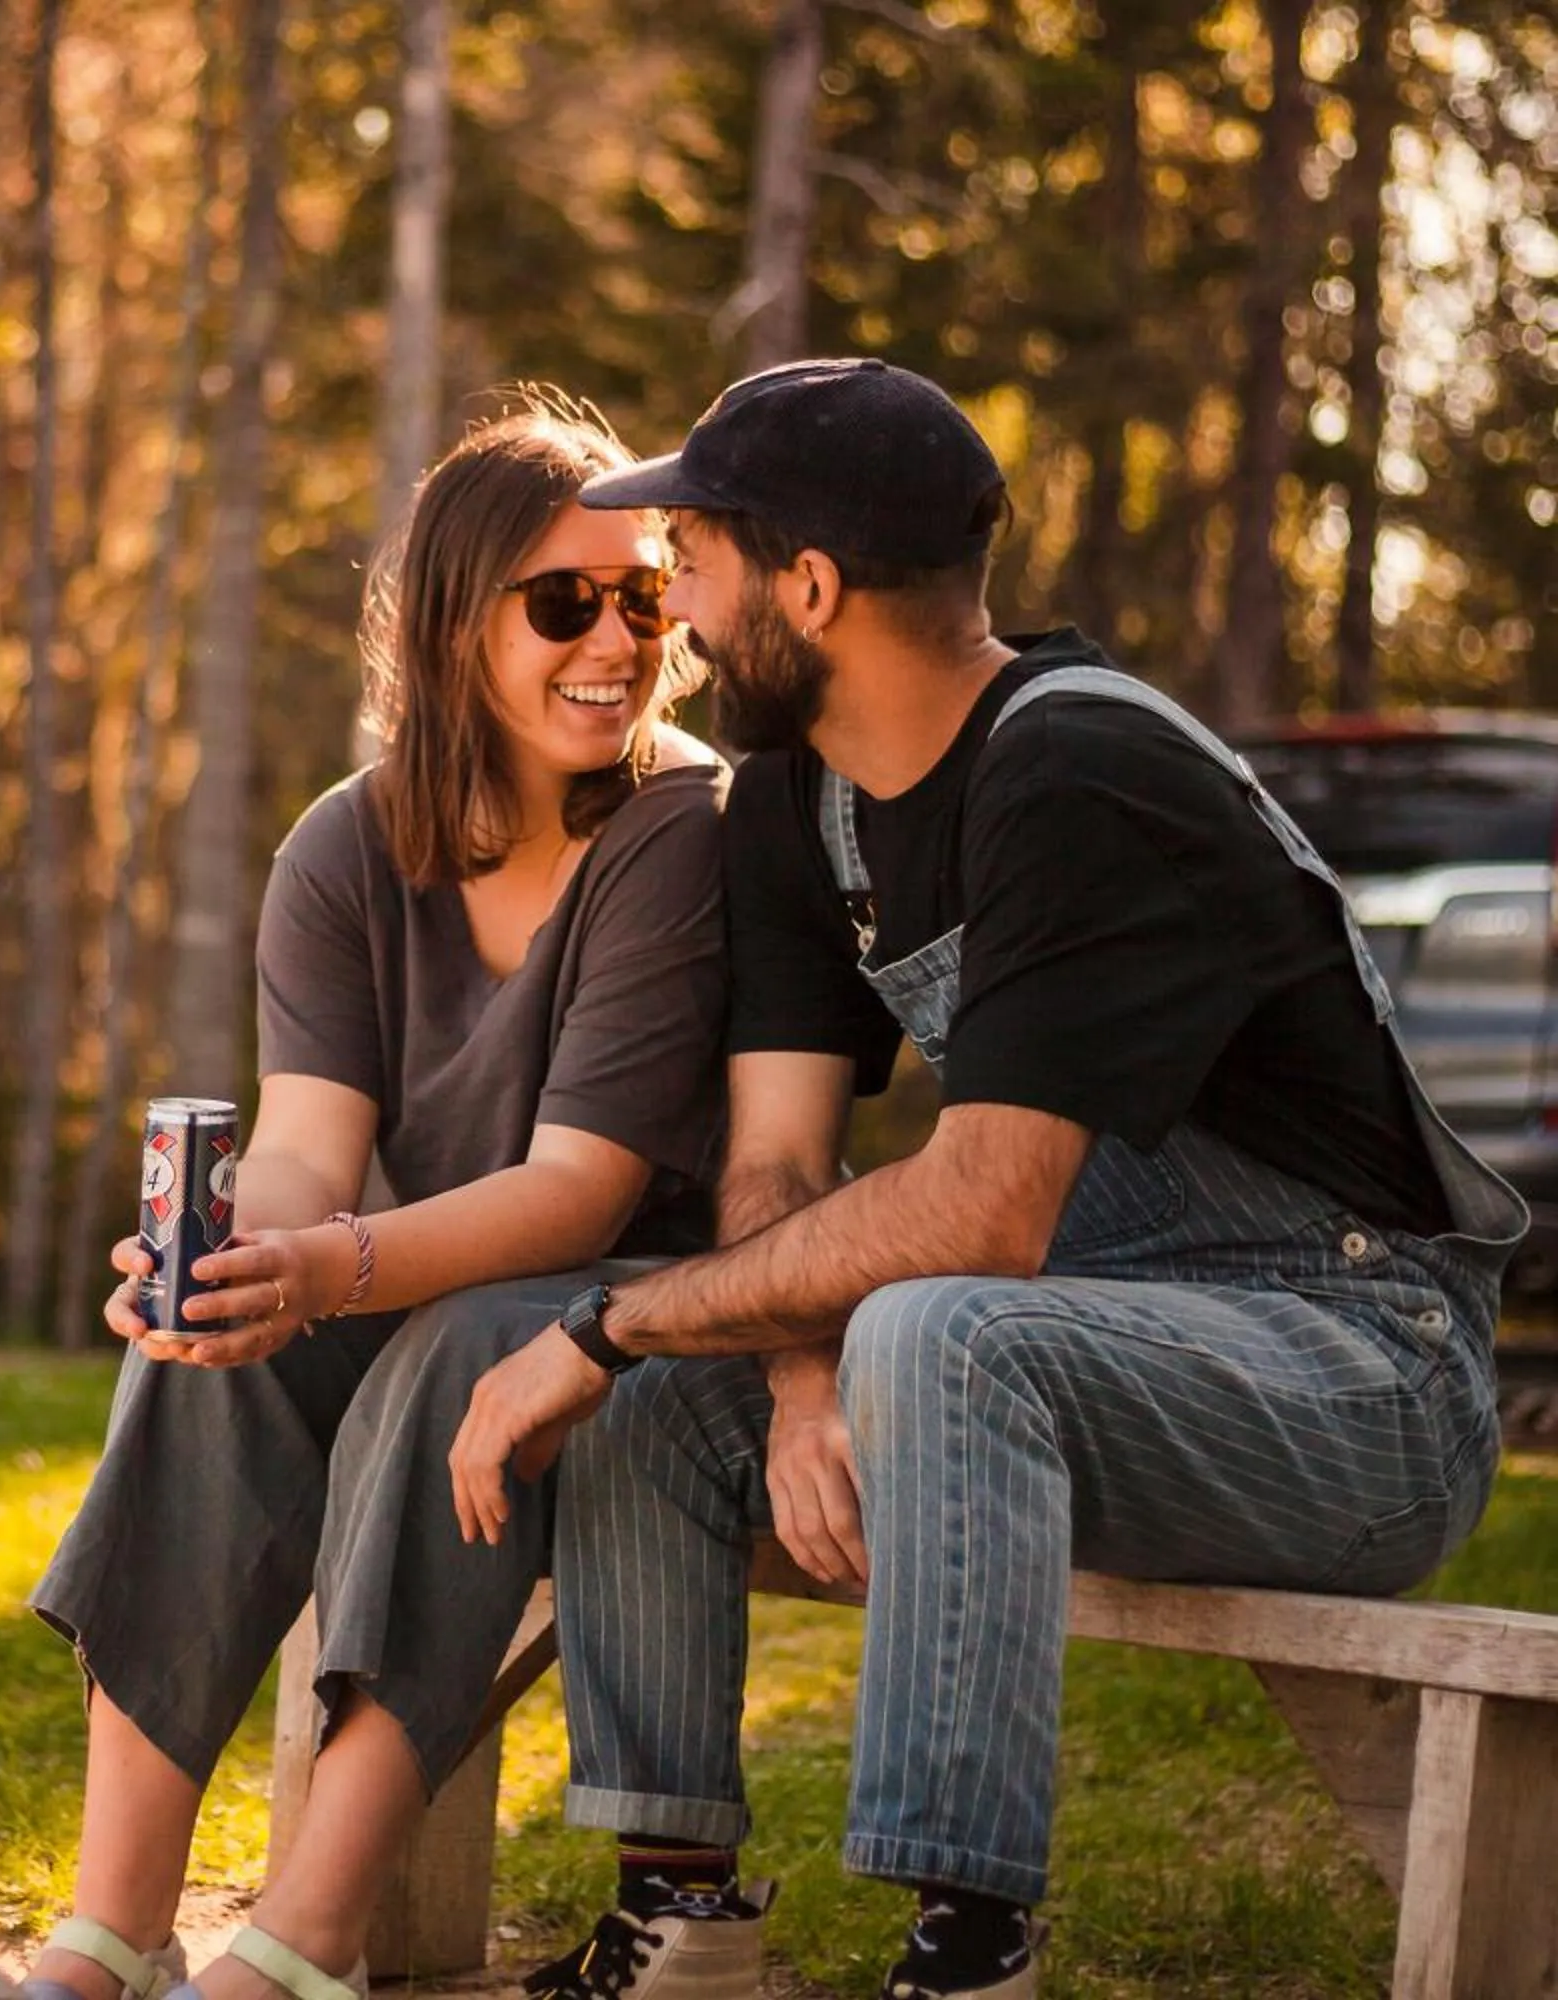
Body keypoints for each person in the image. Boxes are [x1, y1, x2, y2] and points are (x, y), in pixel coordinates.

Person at [443, 358, 1524, 2000]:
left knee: (923, 1330)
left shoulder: (1083, 774)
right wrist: (793, 1377)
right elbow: (783, 1160)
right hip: (1097, 1331)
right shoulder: (800, 797)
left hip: (1358, 1370)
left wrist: (603, 1322)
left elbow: (984, 1213)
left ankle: (966, 1952)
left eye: (703, 554)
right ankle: (681, 1923)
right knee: (679, 1398)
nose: (680, 597)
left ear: (810, 585)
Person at [19, 392, 736, 2000]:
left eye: (644, 597)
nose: (615, 641)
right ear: (450, 624)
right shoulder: (344, 849)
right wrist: (220, 1261)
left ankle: (307, 1933)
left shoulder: (679, 828)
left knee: (451, 1347)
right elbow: (306, 1142)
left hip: (626, 1326)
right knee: (205, 1357)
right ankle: (114, 1925)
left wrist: (326, 1263)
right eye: (566, 602)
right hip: (417, 1279)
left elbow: (579, 1194)